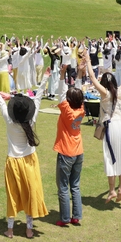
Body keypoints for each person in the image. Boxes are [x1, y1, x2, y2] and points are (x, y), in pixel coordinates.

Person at [0, 70, 50, 239]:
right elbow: (38, 97)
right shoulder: (31, 120)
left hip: (13, 161)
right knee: (30, 193)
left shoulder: (9, 120)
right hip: (30, 161)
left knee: (13, 194)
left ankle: (10, 229)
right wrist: (45, 77)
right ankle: (29, 229)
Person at [84, 51, 121, 203]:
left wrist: (88, 60)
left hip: (112, 126)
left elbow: (92, 78)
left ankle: (113, 190)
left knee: (110, 157)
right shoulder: (120, 91)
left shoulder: (104, 93)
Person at [53, 63, 85, 227]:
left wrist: (61, 74)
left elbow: (60, 94)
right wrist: (79, 73)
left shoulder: (66, 109)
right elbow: (78, 92)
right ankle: (76, 216)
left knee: (63, 187)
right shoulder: (81, 108)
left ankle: (65, 218)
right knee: (75, 186)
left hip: (66, 151)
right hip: (78, 150)